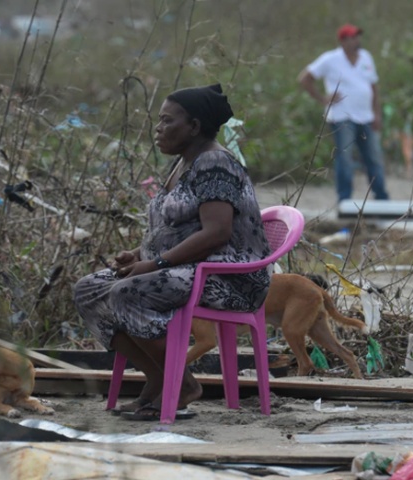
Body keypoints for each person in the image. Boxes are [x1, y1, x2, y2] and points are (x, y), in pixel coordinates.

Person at [73, 84, 272, 421]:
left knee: (128, 292)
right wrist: (139, 256)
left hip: (228, 277)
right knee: (89, 289)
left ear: (194, 126)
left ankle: (183, 385)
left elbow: (216, 231)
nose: (158, 129)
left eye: (167, 121)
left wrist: (156, 263)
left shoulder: (214, 164)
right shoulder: (184, 162)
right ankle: (160, 377)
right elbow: (176, 228)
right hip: (188, 268)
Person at [298, 23, 390, 202]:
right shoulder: (330, 59)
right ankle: (345, 199)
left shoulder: (366, 57)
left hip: (366, 116)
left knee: (374, 158)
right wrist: (323, 98)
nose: (356, 40)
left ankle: (382, 198)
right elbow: (305, 78)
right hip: (342, 117)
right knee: (345, 159)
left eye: (357, 36)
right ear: (343, 41)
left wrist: (377, 114)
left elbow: (374, 87)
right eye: (352, 37)